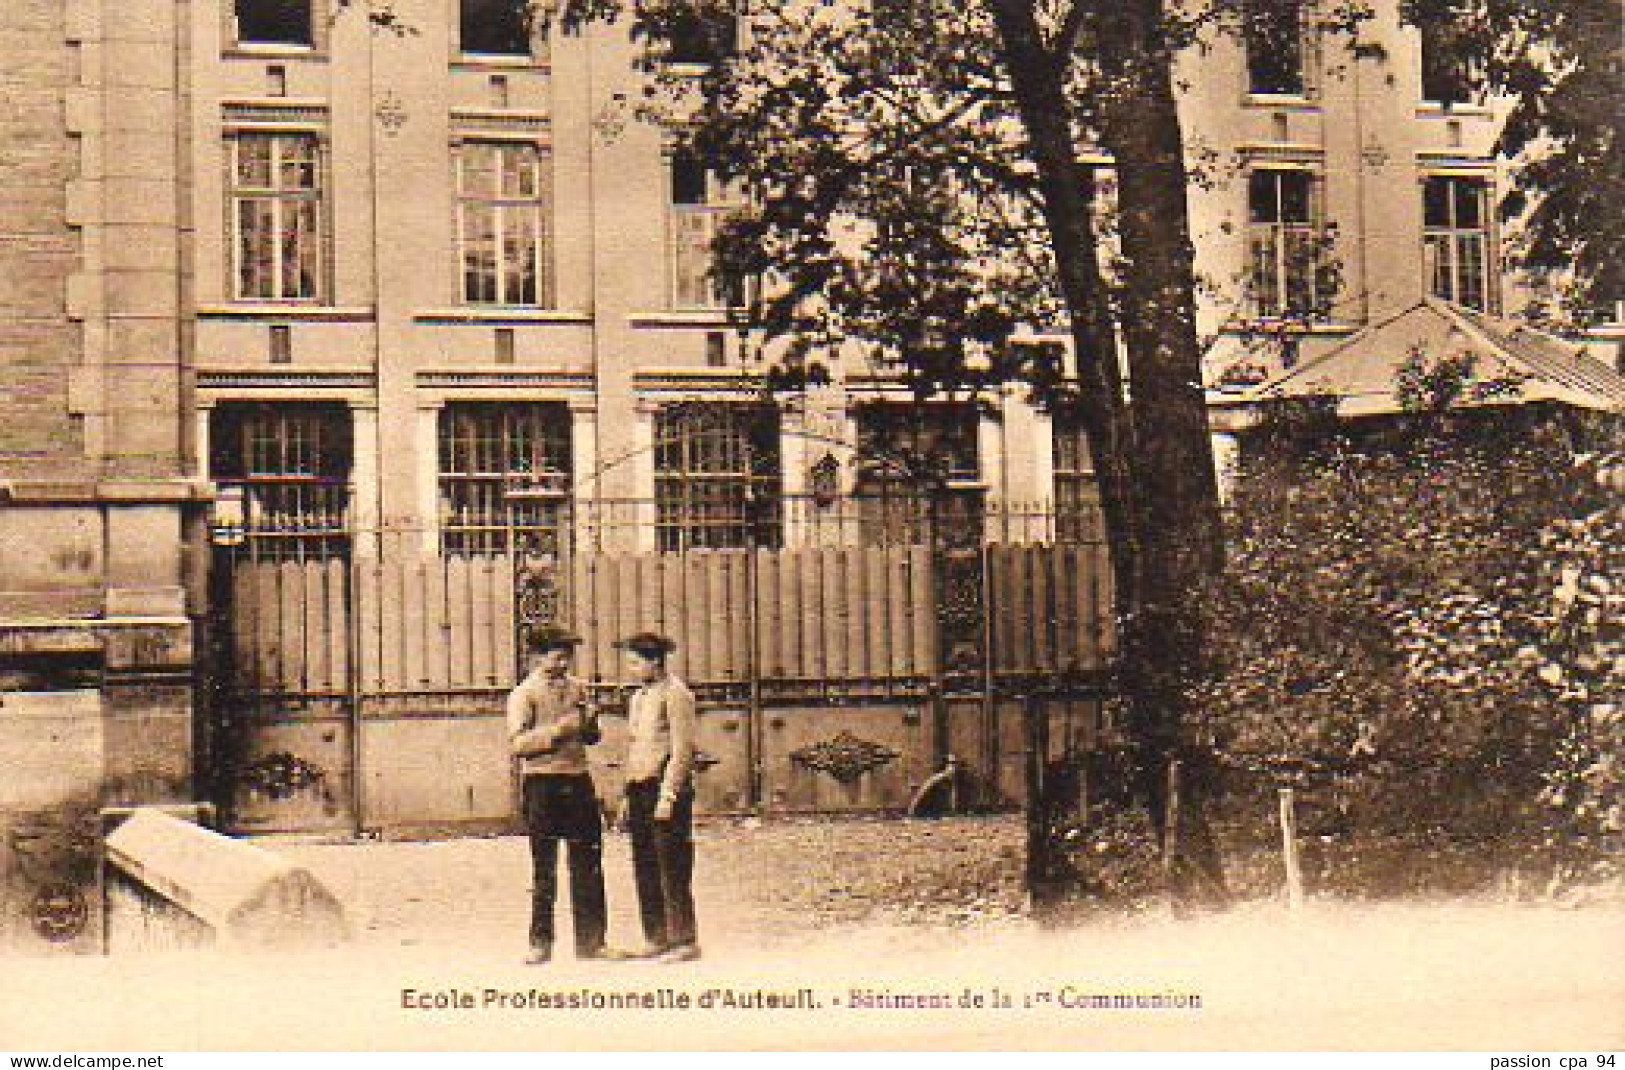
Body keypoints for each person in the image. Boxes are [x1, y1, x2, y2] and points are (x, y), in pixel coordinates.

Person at [507, 625, 607, 965]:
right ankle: (540, 943)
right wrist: (562, 729)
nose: (563, 660)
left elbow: (591, 737)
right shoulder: (524, 694)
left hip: (578, 781)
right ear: (536, 656)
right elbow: (519, 744)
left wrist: (591, 723)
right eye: (555, 652)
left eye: (567, 653)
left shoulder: (579, 688)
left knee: (588, 863)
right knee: (544, 867)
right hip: (542, 784)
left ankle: (592, 942)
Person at [615, 631, 701, 963]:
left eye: (636, 663)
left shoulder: (677, 694)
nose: (632, 670)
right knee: (645, 864)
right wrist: (627, 793)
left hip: (664, 789)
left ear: (655, 661)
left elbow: (682, 750)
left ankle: (684, 939)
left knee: (672, 864)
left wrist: (668, 795)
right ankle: (656, 936)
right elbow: (635, 747)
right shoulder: (638, 698)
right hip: (640, 788)